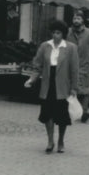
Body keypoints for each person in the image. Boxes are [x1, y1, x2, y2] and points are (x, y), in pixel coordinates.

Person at [25, 19, 79, 153]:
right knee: (47, 113)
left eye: (59, 33)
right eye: (54, 32)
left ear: (64, 34)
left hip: (63, 85)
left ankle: (61, 140)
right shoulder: (45, 46)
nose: (56, 35)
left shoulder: (71, 48)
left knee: (62, 115)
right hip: (48, 84)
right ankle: (50, 140)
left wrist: (74, 87)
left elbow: (74, 69)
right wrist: (31, 80)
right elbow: (37, 66)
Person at [67, 11, 89, 122]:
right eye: (74, 18)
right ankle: (71, 111)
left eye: (78, 19)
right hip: (70, 65)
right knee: (71, 88)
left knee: (85, 90)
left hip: (85, 65)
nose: (76, 21)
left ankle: (84, 112)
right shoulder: (68, 32)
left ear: (83, 20)